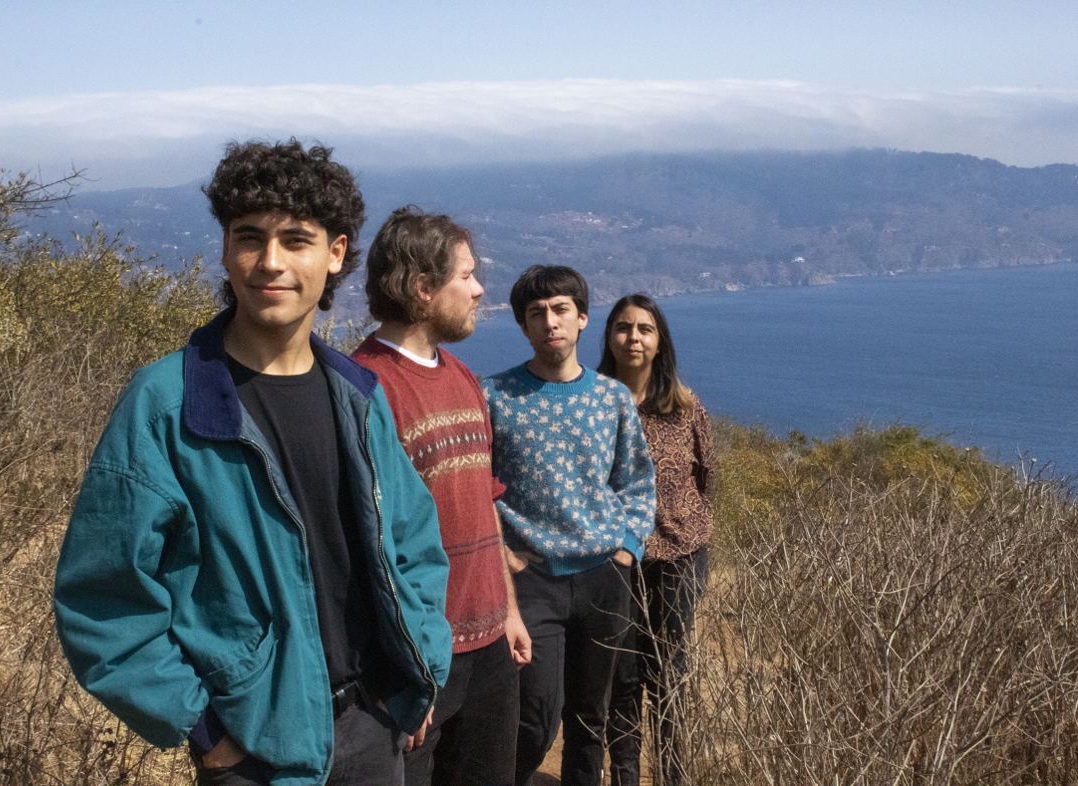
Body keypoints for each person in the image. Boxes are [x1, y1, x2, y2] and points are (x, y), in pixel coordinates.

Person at [53, 140, 452, 786]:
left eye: (296, 240)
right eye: (249, 238)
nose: (270, 262)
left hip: (374, 726)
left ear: (336, 253)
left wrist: (421, 668)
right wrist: (207, 732)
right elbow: (101, 594)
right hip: (255, 749)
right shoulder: (169, 403)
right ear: (225, 250)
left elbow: (415, 544)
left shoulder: (356, 396)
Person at [352, 206, 532, 786]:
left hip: (489, 647)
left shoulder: (461, 376)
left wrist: (508, 610)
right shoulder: (367, 388)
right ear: (424, 288)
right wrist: (405, 669)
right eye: (467, 276)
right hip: (424, 659)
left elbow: (482, 503)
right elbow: (369, 545)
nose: (481, 289)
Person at [480, 265, 656, 786]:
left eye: (560, 311)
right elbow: (475, 485)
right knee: (535, 715)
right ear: (524, 325)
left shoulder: (612, 399)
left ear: (581, 319)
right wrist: (502, 553)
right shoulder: (495, 397)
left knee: (591, 717)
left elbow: (637, 481)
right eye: (537, 314)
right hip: (532, 580)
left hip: (605, 576)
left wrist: (627, 546)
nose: (550, 322)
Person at [599, 294, 716, 786]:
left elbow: (706, 479)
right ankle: (626, 776)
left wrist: (686, 529)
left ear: (659, 340)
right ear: (608, 337)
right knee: (621, 677)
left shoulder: (686, 409)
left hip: (678, 557)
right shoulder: (595, 403)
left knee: (669, 676)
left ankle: (674, 777)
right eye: (623, 327)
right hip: (615, 560)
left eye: (644, 329)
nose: (633, 337)